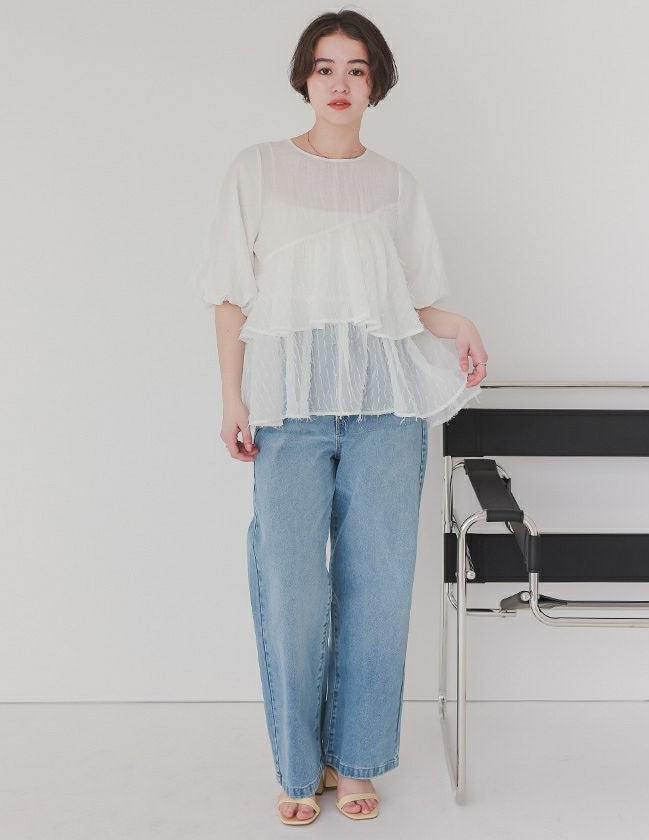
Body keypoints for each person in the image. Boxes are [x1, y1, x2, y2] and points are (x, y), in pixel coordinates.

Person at [195, 9, 488, 826]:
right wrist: (232, 397)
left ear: (376, 84)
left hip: (385, 409)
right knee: (291, 588)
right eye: (325, 67)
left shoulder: (396, 184)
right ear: (304, 77)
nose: (339, 84)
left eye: (356, 70)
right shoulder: (258, 169)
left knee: (378, 587)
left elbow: (408, 302)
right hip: (289, 410)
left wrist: (458, 325)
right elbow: (229, 294)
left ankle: (354, 761)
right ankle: (299, 766)